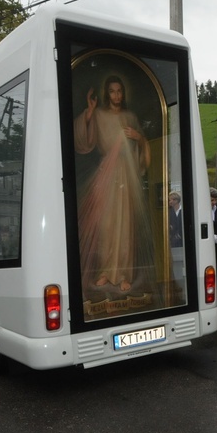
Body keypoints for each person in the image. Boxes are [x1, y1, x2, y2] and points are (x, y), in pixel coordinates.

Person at [74, 74, 153, 294]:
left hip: (126, 175)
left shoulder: (130, 116)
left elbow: (143, 150)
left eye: (120, 91)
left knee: (125, 225)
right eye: (112, 91)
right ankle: (105, 272)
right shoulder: (98, 114)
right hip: (106, 175)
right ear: (106, 93)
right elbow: (83, 139)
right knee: (107, 224)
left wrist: (139, 137)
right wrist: (89, 111)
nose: (116, 95)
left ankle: (124, 275)